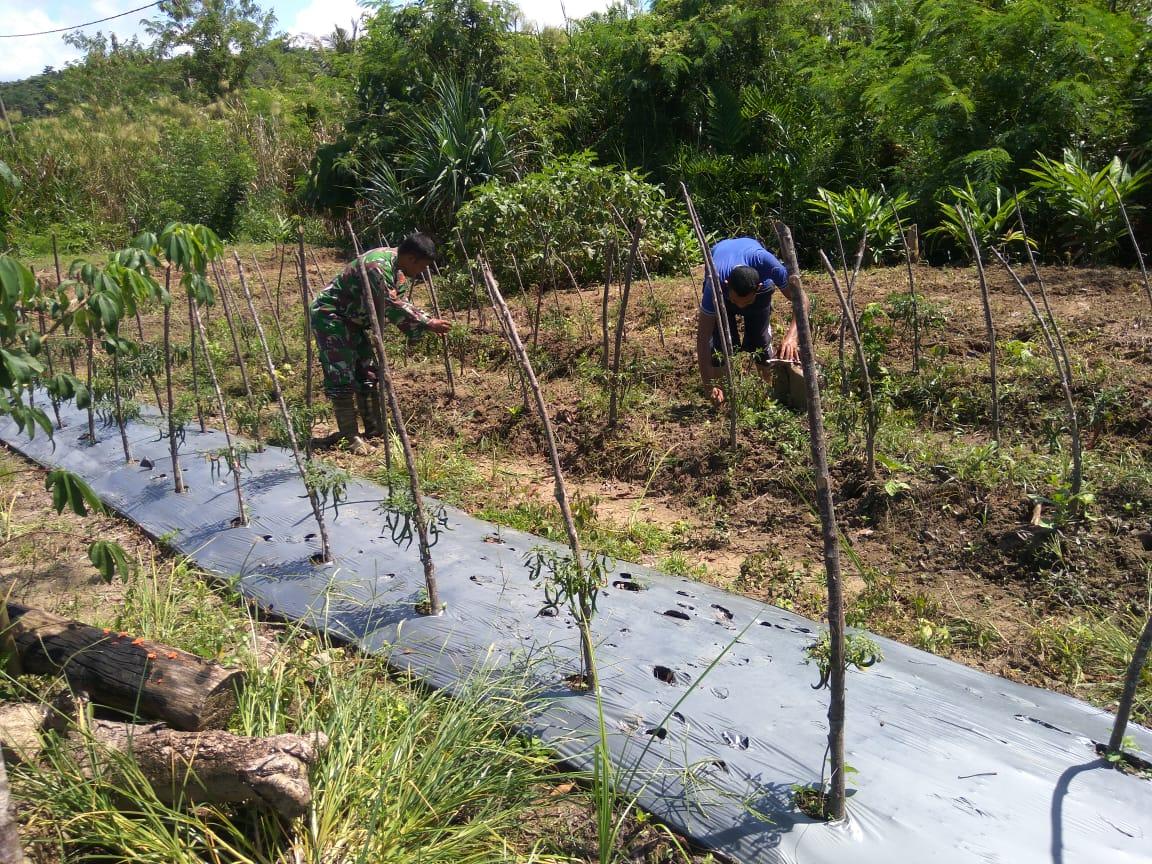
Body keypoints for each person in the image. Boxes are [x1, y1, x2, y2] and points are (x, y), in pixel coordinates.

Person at [310, 232, 451, 454]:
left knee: (367, 373)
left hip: (354, 321)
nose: (422, 273)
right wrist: (427, 321)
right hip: (332, 316)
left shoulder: (398, 273)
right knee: (341, 375)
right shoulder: (378, 265)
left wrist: (416, 332)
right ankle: (351, 436)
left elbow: (396, 308)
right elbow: (391, 302)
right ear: (412, 258)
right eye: (423, 267)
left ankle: (375, 430)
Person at [695, 236, 802, 407]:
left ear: (757, 288)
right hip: (721, 274)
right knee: (720, 347)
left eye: (746, 302)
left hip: (756, 277)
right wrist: (709, 387)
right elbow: (702, 338)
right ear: (727, 284)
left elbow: (802, 300)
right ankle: (723, 397)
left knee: (759, 341)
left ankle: (766, 395)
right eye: (736, 301)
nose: (741, 306)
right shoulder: (714, 286)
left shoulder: (765, 262)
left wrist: (791, 337)